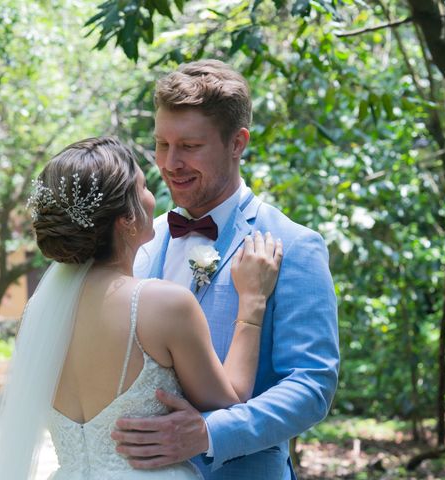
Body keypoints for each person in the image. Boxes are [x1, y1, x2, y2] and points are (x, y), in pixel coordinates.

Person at [0, 136, 283, 480]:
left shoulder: (34, 317)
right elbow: (229, 401)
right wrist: (253, 300)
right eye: (143, 186)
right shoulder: (163, 304)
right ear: (126, 218)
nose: (153, 196)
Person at [114, 59, 340, 479]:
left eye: (190, 146)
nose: (170, 163)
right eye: (162, 144)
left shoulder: (294, 245)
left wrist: (207, 433)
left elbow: (311, 386)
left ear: (237, 143)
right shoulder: (143, 240)